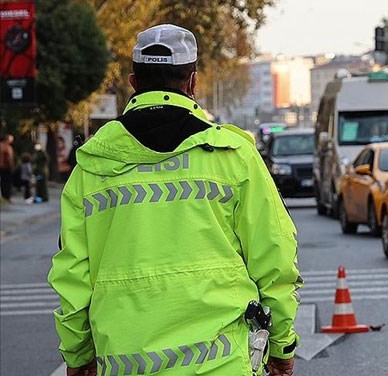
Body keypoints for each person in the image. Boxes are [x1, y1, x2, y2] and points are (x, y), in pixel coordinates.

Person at [48, 24, 302, 376]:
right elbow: (274, 259)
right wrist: (281, 343)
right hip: (224, 365)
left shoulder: (91, 168)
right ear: (193, 81)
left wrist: (77, 356)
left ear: (133, 81)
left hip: (125, 364)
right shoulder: (234, 156)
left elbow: (73, 278)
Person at [0, 134, 15, 203]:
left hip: (2, 167)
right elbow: (9, 158)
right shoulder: (7, 147)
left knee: (3, 182)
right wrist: (11, 166)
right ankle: (7, 197)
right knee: (7, 183)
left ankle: (4, 196)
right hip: (6, 167)